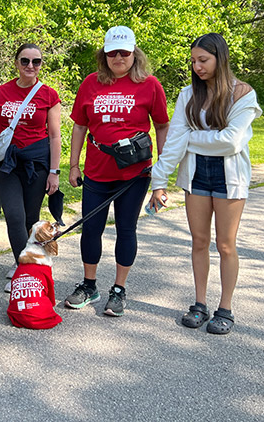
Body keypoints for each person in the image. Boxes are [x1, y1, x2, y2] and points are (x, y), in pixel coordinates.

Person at [149, 33, 262, 334]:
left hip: (230, 177)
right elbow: (173, 143)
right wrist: (158, 181)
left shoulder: (243, 94)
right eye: (193, 61)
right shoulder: (188, 95)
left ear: (220, 58)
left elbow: (231, 142)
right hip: (195, 175)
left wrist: (191, 138)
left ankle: (225, 309)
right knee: (199, 242)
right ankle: (200, 304)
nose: (197, 67)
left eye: (204, 60)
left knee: (225, 244)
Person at [65, 26, 169, 316]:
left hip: (134, 174)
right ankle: (89, 285)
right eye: (112, 52)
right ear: (104, 54)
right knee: (91, 230)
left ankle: (119, 290)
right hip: (97, 171)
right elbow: (79, 125)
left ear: (134, 53)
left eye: (124, 52)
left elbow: (162, 125)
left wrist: (160, 172)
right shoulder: (90, 83)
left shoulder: (150, 85)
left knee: (126, 229)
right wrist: (73, 164)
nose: (118, 57)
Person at [0, 43, 61, 292]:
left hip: (37, 164)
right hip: (6, 164)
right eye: (25, 61)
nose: (30, 66)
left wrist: (54, 171)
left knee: (31, 218)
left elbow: (55, 137)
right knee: (14, 216)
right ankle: (24, 268)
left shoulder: (49, 95)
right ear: (16, 63)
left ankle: (31, 261)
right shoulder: (1, 93)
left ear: (40, 65)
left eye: (36, 62)